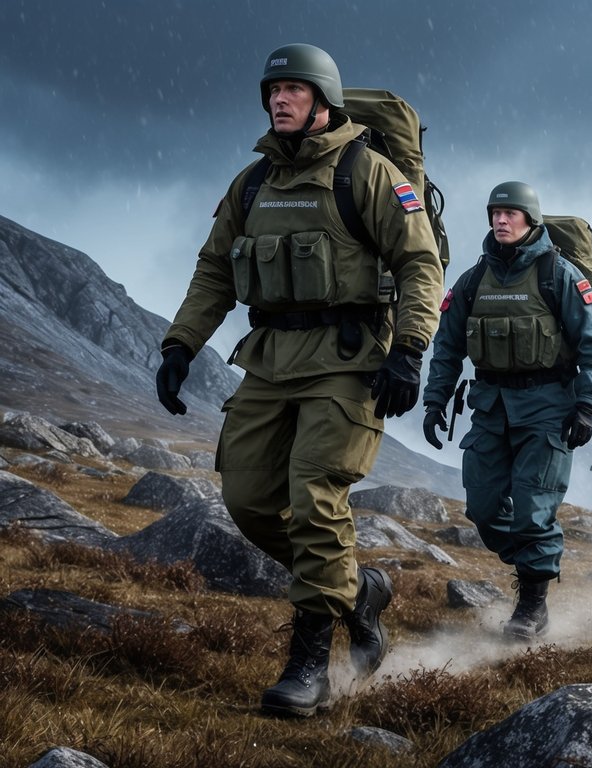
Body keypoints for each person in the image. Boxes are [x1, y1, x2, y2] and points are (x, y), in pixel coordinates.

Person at [154, 44, 444, 717]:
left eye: (293, 90)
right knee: (249, 499)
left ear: (323, 101)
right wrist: (179, 343)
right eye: (272, 91)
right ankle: (358, 594)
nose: (279, 100)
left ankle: (307, 665)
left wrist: (409, 350)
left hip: (347, 362)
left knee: (315, 499)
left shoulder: (367, 174)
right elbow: (215, 271)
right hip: (269, 359)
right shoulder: (250, 184)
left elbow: (419, 265)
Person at [421, 181, 592, 640]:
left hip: (548, 411)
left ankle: (532, 605)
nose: (501, 220)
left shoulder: (559, 275)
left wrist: (586, 406)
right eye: (495, 213)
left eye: (511, 213)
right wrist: (435, 401)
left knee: (533, 511)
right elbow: (447, 346)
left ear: (531, 220)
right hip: (489, 408)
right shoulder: (473, 279)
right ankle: (534, 565)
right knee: (483, 510)